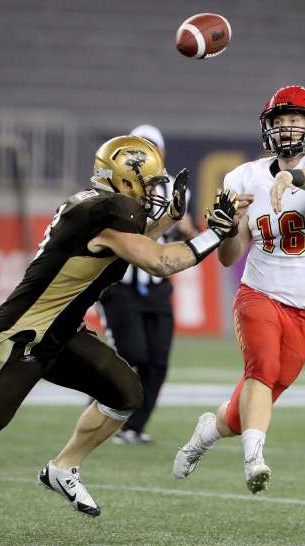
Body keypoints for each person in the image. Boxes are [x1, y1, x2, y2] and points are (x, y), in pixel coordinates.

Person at [0, 135, 251, 545]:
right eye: (148, 184)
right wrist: (212, 233)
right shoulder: (106, 211)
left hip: (62, 333)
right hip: (20, 337)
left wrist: (176, 218)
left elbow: (139, 235)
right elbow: (158, 260)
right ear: (125, 184)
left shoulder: (103, 205)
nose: (154, 193)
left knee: (125, 392)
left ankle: (63, 466)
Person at [173, 85, 305, 494]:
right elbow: (230, 256)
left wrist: (291, 176)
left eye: (294, 120)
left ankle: (207, 431)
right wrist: (224, 231)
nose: (286, 128)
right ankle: (254, 458)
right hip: (259, 292)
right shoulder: (243, 176)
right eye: (279, 121)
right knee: (262, 371)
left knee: (244, 410)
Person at [100, 125, 196, 445]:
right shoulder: (118, 184)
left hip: (156, 286)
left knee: (158, 360)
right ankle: (104, 410)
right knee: (132, 354)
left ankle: (133, 427)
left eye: (152, 147)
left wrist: (203, 229)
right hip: (122, 284)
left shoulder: (172, 187)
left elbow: (186, 230)